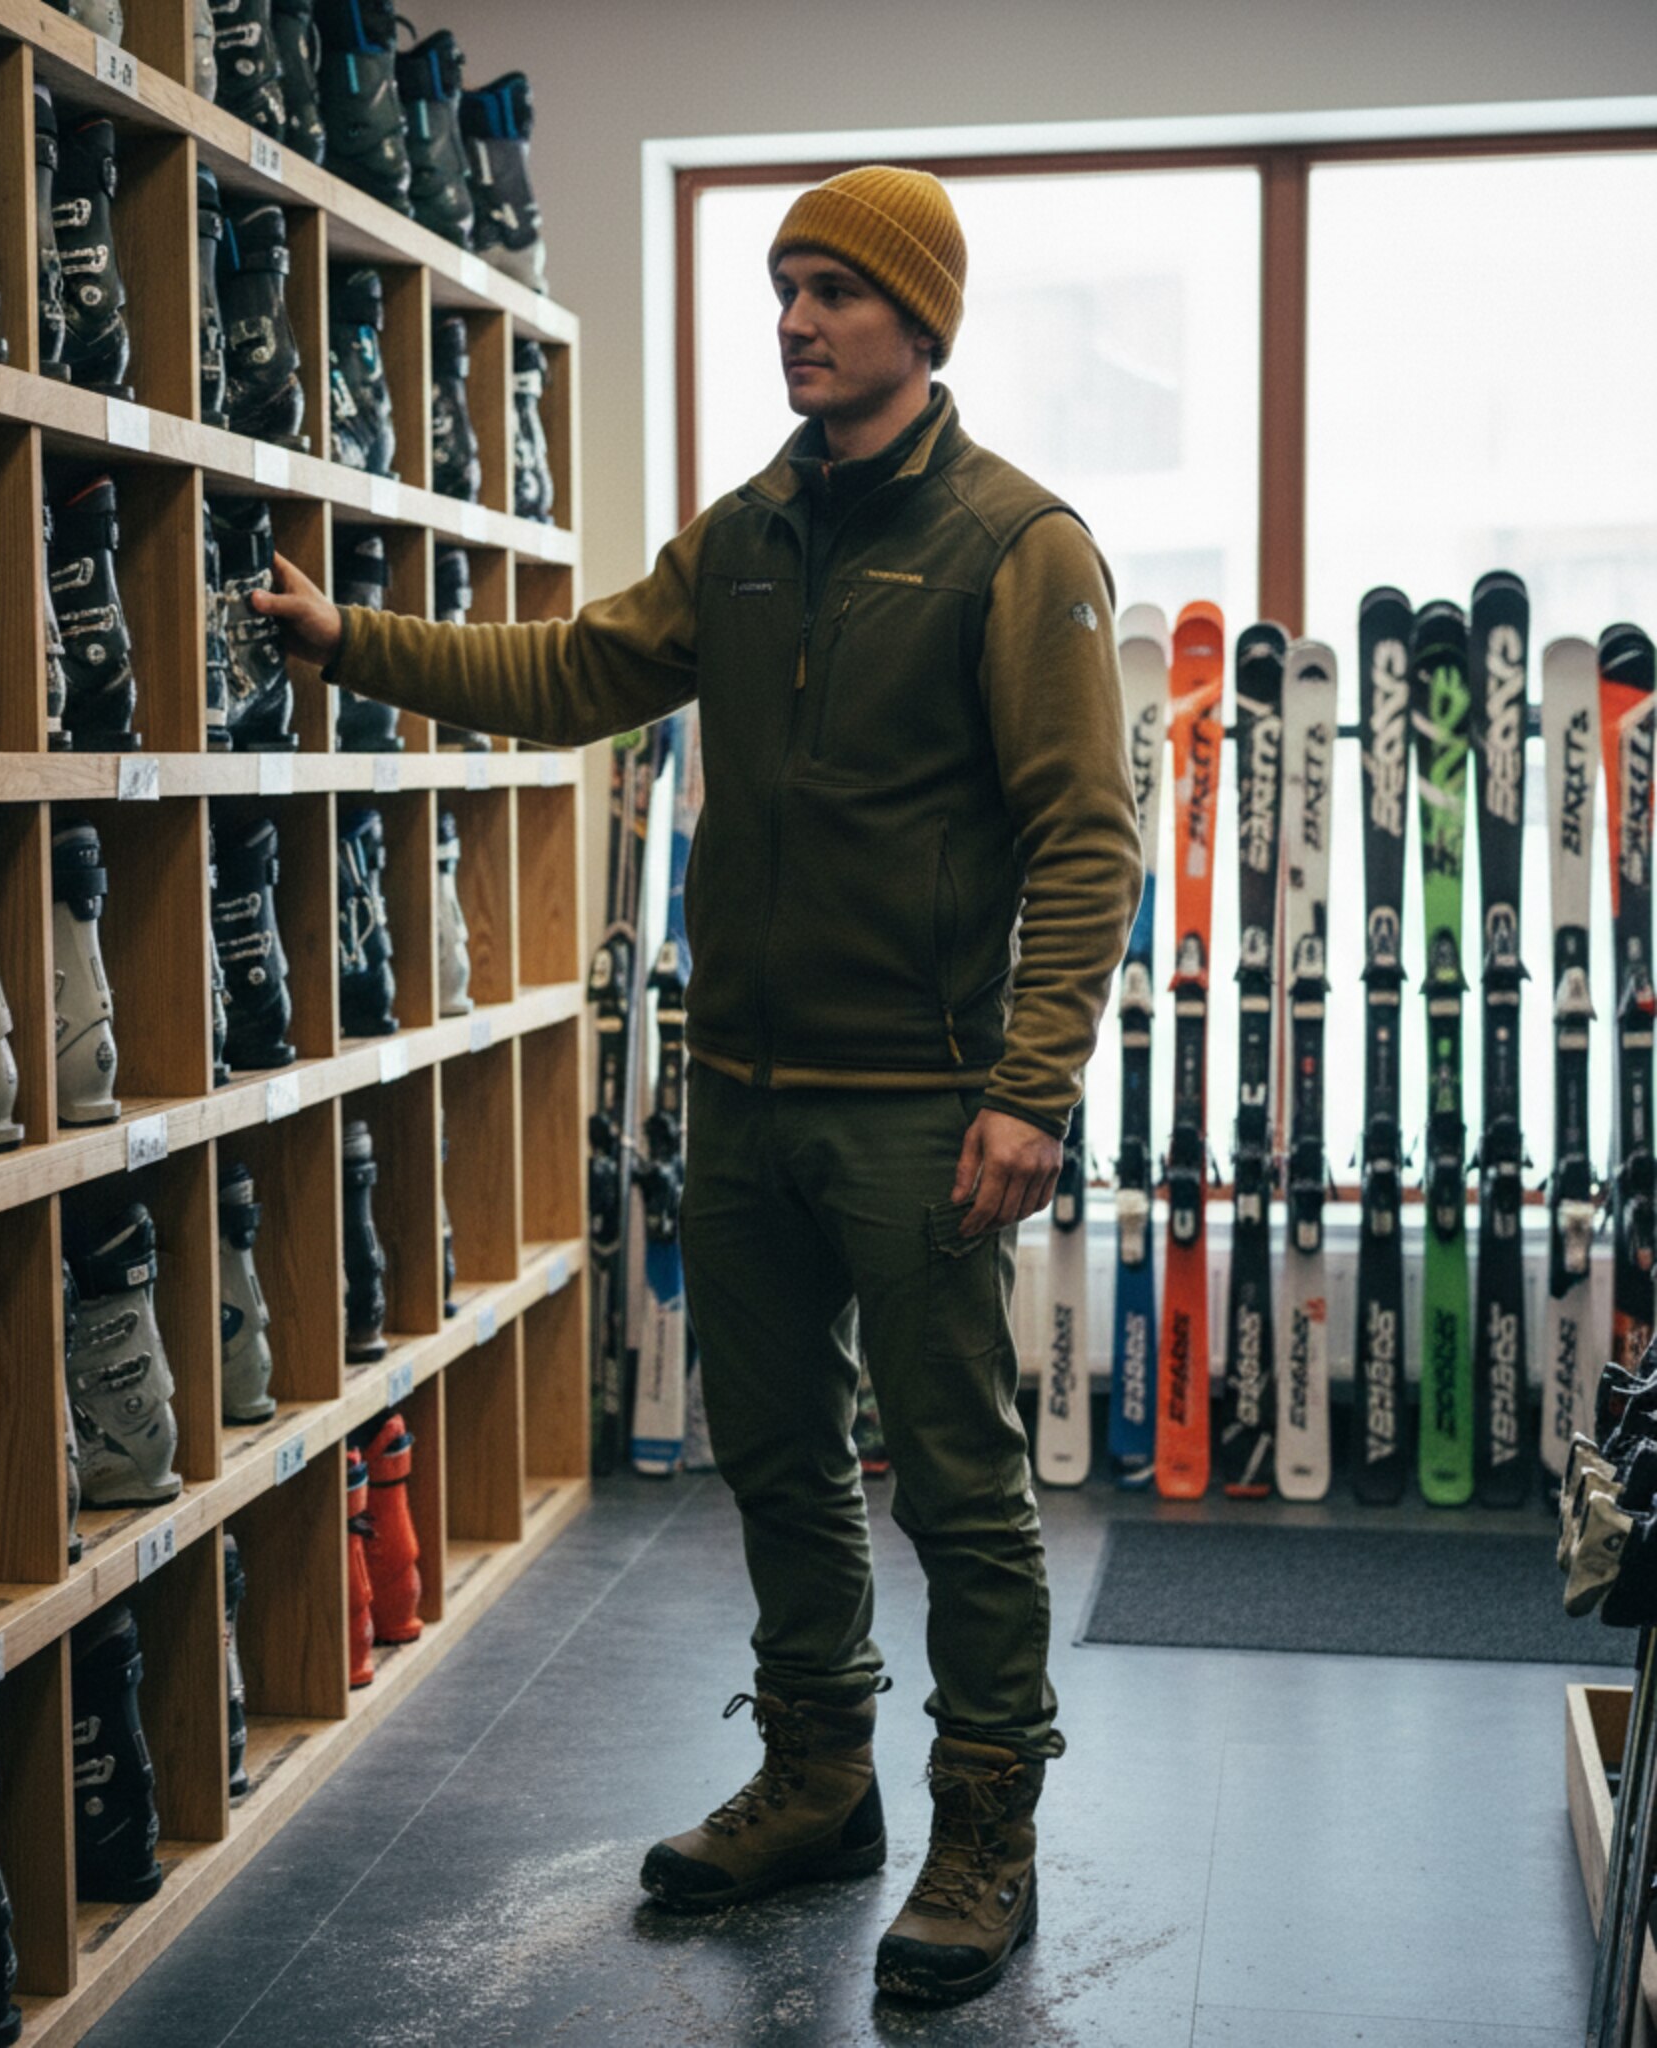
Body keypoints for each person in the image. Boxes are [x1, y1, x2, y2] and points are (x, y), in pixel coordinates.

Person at [255, 164, 1142, 2008]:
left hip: (920, 1104)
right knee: (777, 1459)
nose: (798, 321)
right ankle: (820, 1778)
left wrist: (1028, 1090)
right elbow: (579, 668)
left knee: (960, 1486)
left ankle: (987, 1819)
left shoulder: (1017, 546)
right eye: (784, 289)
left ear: (921, 322)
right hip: (738, 1097)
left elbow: (1086, 842)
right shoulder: (747, 531)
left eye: (832, 290)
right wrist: (363, 648)